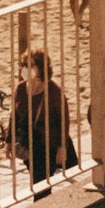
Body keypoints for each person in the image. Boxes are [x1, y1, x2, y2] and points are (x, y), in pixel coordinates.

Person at [12, 48, 76, 197]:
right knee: (39, 185)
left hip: (51, 142)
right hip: (32, 144)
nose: (26, 69)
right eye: (24, 65)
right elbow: (14, 115)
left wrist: (62, 146)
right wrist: (10, 141)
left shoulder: (54, 92)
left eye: (30, 65)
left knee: (69, 176)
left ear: (41, 67)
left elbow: (63, 120)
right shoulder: (21, 88)